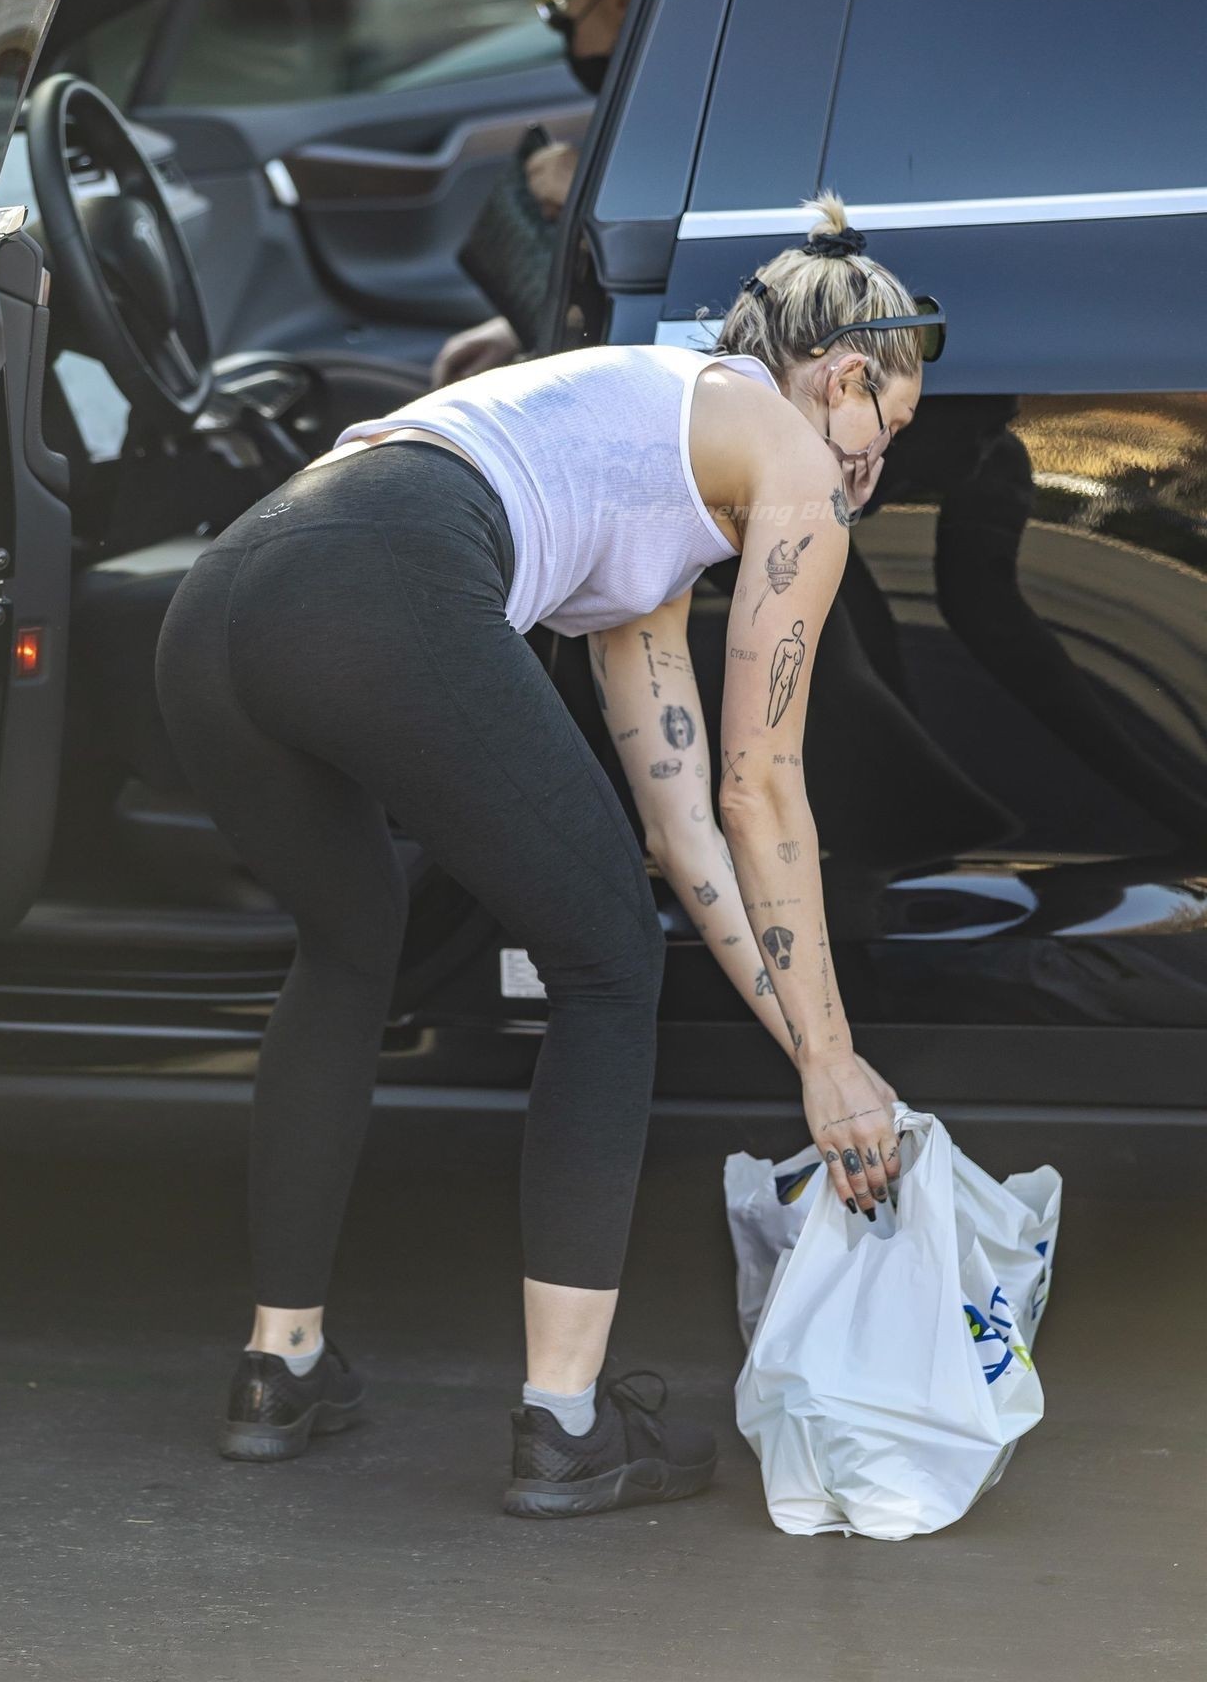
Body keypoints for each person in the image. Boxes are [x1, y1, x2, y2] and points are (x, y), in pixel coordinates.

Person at [153, 187, 942, 1518]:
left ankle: (279, 1368)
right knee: (607, 968)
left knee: (349, 944)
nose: (871, 477)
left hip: (226, 598)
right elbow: (762, 787)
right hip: (382, 576)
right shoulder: (792, 460)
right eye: (885, 436)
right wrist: (832, 1067)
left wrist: (822, 1056)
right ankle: (565, 1424)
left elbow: (684, 828)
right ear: (843, 377)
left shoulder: (649, 491)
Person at [431, 0, 666, 390]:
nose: (566, 30)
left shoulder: (716, 108)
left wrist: (594, 194)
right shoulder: (672, 101)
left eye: (565, 3)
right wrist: (517, 328)